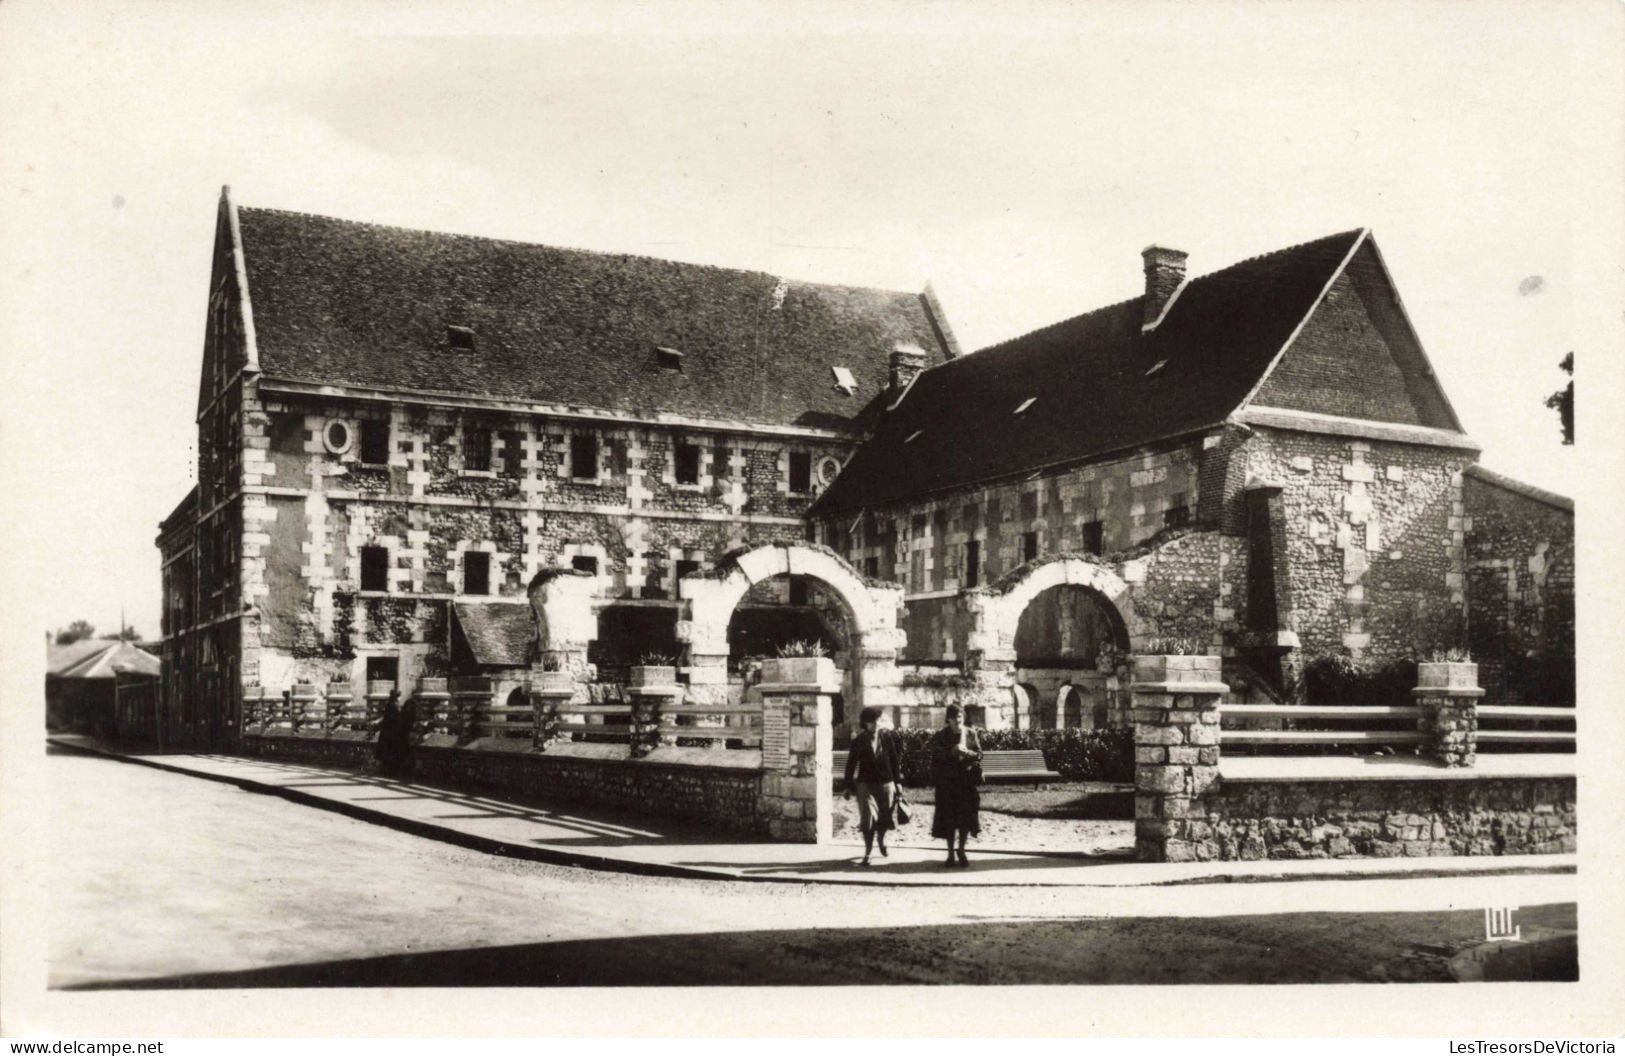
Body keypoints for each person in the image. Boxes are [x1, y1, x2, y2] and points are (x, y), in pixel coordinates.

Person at [842, 705, 903, 866]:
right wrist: (848, 785)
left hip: (886, 784)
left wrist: (898, 783)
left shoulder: (887, 738)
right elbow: (851, 764)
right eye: (872, 721)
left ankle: (881, 841)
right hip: (866, 785)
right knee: (867, 819)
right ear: (865, 723)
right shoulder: (859, 741)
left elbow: (895, 762)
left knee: (884, 818)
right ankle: (868, 851)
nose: (875, 724)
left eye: (878, 720)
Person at [930, 704, 983, 867]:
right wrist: (951, 750)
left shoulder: (971, 733)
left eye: (960, 717)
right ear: (948, 719)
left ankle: (961, 849)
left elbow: (979, 754)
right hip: (948, 783)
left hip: (966, 782)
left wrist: (968, 752)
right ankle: (950, 853)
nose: (957, 720)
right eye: (954, 718)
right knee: (950, 819)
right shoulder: (941, 735)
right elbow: (935, 755)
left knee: (965, 818)